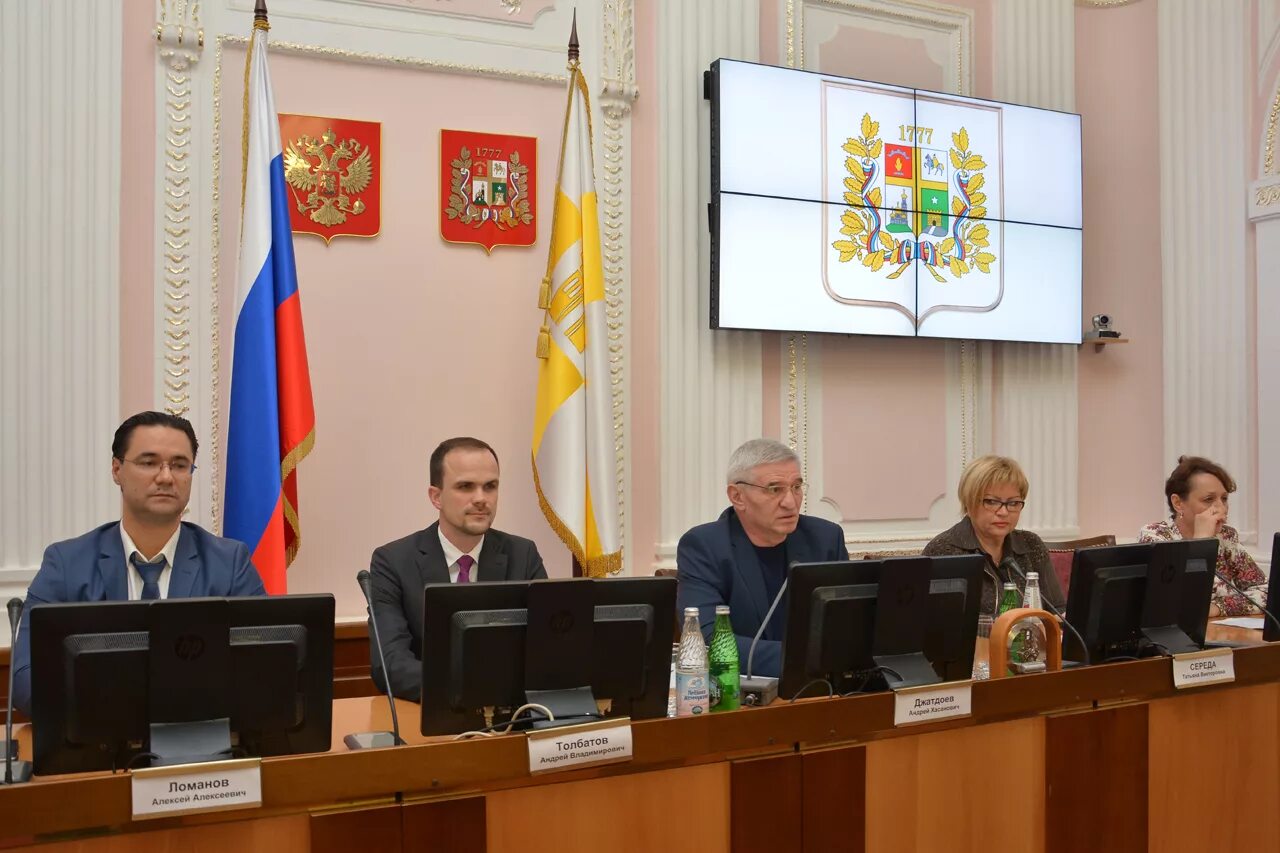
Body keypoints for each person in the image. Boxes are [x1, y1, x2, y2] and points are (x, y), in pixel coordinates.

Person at [10, 411, 266, 715]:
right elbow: (25, 682)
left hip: (197, 742)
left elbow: (263, 669)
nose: (166, 477)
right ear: (117, 469)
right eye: (148, 463)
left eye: (180, 465)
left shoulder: (230, 563)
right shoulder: (66, 564)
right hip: (98, 742)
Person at [368, 437, 547, 700]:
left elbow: (546, 648)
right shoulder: (393, 561)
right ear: (436, 496)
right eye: (465, 486)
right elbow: (390, 665)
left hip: (512, 714)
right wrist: (472, 689)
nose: (481, 499)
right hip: (430, 713)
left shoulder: (523, 555)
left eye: (490, 486)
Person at [676, 438, 848, 679]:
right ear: (737, 496)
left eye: (797, 487)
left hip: (820, 689)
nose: (790, 502)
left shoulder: (825, 539)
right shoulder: (704, 547)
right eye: (774, 489)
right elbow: (706, 641)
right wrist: (808, 658)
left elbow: (846, 627)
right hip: (740, 695)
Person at [923, 454, 1065, 615]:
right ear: (969, 502)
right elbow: (937, 625)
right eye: (991, 501)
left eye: (1013, 503)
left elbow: (1058, 611)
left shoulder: (1031, 544)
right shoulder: (943, 551)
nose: (1003, 512)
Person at [1138, 455, 1265, 617]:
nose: (1221, 507)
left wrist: (1217, 608)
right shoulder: (1156, 536)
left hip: (1222, 634)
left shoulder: (1226, 536)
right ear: (1178, 503)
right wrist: (1201, 541)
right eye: (1208, 499)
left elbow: (1265, 591)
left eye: (1224, 499)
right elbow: (1172, 604)